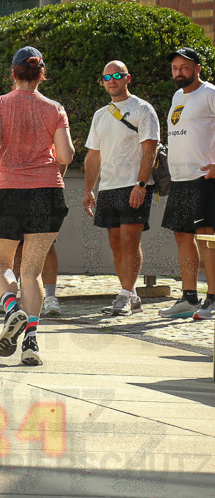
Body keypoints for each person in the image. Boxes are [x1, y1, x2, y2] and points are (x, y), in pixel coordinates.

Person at [0, 47, 73, 367]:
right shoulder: (55, 108)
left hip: (8, 190)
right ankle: (31, 343)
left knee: (0, 265)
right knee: (31, 272)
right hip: (47, 192)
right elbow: (65, 155)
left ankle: (12, 309)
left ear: (13, 72)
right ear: (40, 74)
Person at [83, 60, 160, 316]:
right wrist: (88, 190)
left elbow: (150, 149)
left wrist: (141, 184)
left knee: (130, 240)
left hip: (134, 185)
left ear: (128, 78)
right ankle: (131, 294)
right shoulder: (100, 115)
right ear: (102, 82)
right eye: (107, 77)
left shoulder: (143, 109)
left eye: (117, 75)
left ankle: (125, 296)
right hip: (108, 188)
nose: (112, 80)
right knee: (115, 242)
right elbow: (93, 156)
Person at [159, 47, 215, 319]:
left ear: (197, 68)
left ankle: (213, 298)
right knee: (182, 235)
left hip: (204, 176)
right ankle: (189, 298)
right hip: (180, 178)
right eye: (175, 68)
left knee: (208, 238)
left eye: (184, 67)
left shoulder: (210, 93)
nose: (178, 72)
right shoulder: (177, 96)